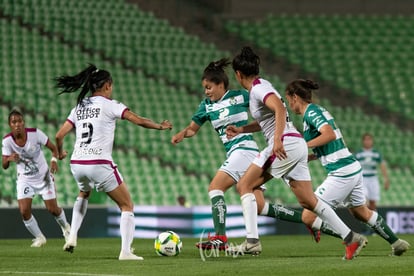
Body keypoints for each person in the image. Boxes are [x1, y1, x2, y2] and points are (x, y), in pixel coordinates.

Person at [226, 46, 366, 260]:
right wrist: (242, 129)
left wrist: (277, 140)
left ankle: (252, 242)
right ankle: (350, 237)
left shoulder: (257, 89)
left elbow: (280, 110)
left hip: (286, 144)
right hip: (296, 144)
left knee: (244, 185)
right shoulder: (262, 85)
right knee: (308, 201)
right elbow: (267, 119)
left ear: (238, 74)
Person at [171, 58, 316, 251]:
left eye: (209, 87)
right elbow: (192, 129)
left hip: (245, 149)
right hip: (238, 153)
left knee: (215, 187)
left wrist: (277, 134)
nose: (206, 91)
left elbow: (268, 111)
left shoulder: (242, 96)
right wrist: (183, 133)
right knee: (259, 206)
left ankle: (220, 237)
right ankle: (309, 219)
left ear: (221, 84)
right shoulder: (206, 106)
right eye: (204, 88)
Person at [54, 64, 172, 261]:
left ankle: (72, 234)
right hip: (99, 162)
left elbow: (59, 135)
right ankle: (126, 251)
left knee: (83, 192)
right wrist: (160, 126)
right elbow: (138, 120)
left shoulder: (79, 108)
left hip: (77, 163)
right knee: (127, 205)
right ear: (108, 85)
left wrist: (59, 153)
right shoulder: (110, 105)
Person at [284, 78, 410, 256]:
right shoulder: (317, 111)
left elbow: (328, 134)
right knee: (362, 213)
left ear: (294, 97)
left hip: (341, 172)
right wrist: (310, 155)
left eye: (288, 100)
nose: (289, 104)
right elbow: (328, 142)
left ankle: (352, 238)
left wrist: (303, 147)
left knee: (308, 216)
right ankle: (396, 242)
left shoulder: (311, 112)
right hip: (352, 168)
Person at [2, 109, 71, 247]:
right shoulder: (7, 141)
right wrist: (9, 158)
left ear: (24, 122)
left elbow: (53, 148)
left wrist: (54, 160)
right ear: (10, 125)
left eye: (20, 121)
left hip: (43, 177)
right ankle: (40, 237)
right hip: (25, 180)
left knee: (53, 209)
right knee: (24, 211)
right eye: (14, 122)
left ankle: (66, 228)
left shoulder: (35, 133)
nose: (17, 124)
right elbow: (4, 165)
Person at [355, 133, 390, 211]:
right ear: (363, 141)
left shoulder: (376, 153)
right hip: (363, 179)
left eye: (369, 139)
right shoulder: (358, 153)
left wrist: (386, 179)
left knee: (373, 202)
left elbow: (382, 165)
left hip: (373, 179)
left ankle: (373, 219)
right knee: (364, 200)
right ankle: (365, 218)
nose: (367, 141)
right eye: (366, 139)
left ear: (372, 141)